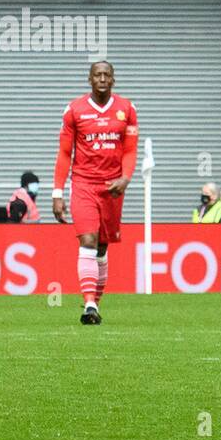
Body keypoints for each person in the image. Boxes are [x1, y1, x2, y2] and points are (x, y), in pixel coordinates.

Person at [52, 61, 138, 326]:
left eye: (107, 75)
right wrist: (58, 192)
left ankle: (95, 305)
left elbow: (130, 150)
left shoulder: (127, 109)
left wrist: (125, 178)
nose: (102, 78)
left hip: (112, 189)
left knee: (101, 247)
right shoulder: (74, 110)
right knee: (87, 240)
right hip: (84, 185)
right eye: (97, 74)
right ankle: (89, 303)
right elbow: (65, 153)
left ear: (113, 79)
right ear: (89, 79)